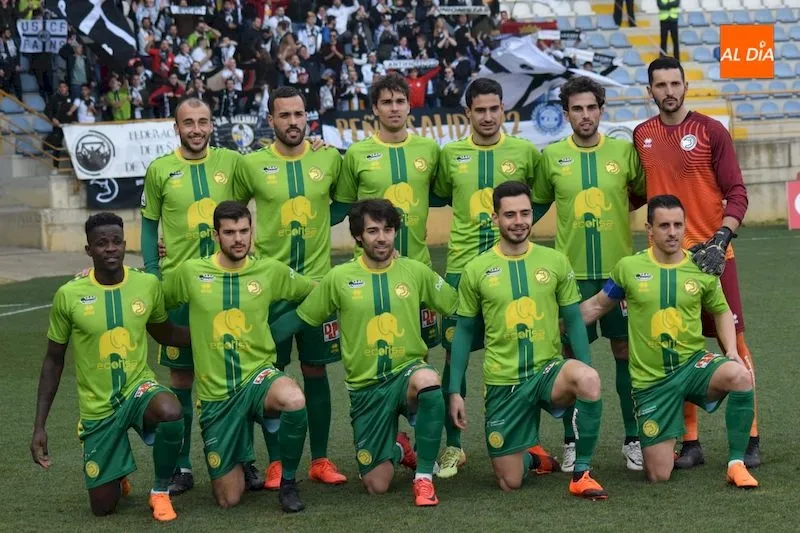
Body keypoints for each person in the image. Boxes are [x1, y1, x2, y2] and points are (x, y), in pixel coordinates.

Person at [270, 199, 458, 507]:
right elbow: (302, 317)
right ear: (358, 236)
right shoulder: (339, 277)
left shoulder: (416, 271)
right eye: (372, 231)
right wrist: (257, 339)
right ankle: (399, 448)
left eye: (387, 230)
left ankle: (423, 478)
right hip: (366, 390)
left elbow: (457, 305)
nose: (381, 238)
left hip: (407, 375)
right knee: (376, 484)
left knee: (427, 380)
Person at [580, 194, 758, 488]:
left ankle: (736, 464)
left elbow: (721, 311)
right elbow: (597, 306)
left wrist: (730, 351)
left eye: (678, 225)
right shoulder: (628, 268)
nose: (673, 232)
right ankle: (667, 434)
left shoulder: (699, 267)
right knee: (658, 475)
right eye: (664, 226)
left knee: (740, 375)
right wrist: (558, 325)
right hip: (652, 383)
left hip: (693, 367)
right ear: (649, 229)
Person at [633, 57, 759, 468]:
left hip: (714, 259)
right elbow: (637, 191)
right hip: (667, 261)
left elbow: (737, 192)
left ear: (686, 86)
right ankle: (690, 443)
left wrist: (721, 238)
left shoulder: (711, 131)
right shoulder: (642, 135)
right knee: (676, 345)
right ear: (650, 91)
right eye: (660, 85)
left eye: (675, 83)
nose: (669, 91)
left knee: (733, 343)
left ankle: (750, 437)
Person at [447, 182, 607, 499]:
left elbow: (574, 320)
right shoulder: (476, 269)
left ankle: (581, 473)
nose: (518, 221)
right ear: (495, 218)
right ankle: (534, 458)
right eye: (510, 215)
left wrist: (586, 367)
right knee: (509, 482)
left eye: (524, 213)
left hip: (547, 372)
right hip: (504, 382)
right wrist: (454, 391)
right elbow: (463, 332)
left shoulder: (555, 261)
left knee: (588, 380)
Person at [30, 213, 191, 521]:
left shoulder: (146, 285)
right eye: (101, 243)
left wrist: (208, 334)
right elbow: (53, 360)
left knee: (171, 412)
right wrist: (40, 426)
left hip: (138, 388)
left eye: (116, 242)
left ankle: (160, 492)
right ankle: (117, 474)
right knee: (103, 508)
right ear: (88, 249)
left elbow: (165, 333)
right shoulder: (69, 295)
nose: (110, 249)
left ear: (125, 245)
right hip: (99, 406)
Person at [163, 201, 313, 512]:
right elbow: (152, 299)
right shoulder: (191, 273)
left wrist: (286, 326)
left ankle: (288, 483)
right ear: (215, 235)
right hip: (217, 395)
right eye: (230, 232)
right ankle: (241, 454)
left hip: (258, 377)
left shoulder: (269, 270)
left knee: (294, 400)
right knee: (228, 499)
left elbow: (317, 290)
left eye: (244, 231)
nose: (239, 239)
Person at [233, 86, 347, 489]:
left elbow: (345, 202)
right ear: (271, 119)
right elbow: (231, 213)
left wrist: (319, 218)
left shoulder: (328, 158)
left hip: (317, 286)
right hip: (270, 290)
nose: (293, 122)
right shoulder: (252, 165)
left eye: (299, 114)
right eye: (284, 115)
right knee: (271, 374)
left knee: (316, 371)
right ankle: (277, 462)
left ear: (307, 117)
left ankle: (320, 459)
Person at [532, 76, 646, 472]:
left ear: (601, 110)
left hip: (619, 276)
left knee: (625, 355)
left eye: (591, 107)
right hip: (572, 279)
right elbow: (534, 206)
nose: (585, 115)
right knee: (572, 362)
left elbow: (643, 192)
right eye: (577, 109)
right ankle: (571, 442)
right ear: (566, 114)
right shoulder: (551, 157)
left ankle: (633, 438)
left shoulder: (624, 152)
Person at [433, 77, 545, 478]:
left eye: (493, 108)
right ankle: (454, 446)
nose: (487, 116)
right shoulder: (450, 155)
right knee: (454, 357)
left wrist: (520, 234)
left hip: (514, 268)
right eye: (479, 110)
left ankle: (526, 441)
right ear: (468, 113)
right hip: (462, 270)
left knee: (523, 350)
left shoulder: (525, 152)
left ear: (503, 110)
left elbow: (539, 198)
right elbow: (440, 194)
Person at [140, 97, 250, 495]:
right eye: (189, 123)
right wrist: (153, 274)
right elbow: (148, 227)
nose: (197, 129)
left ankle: (244, 459)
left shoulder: (232, 163)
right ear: (177, 128)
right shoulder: (160, 170)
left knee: (238, 376)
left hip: (228, 288)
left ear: (212, 124)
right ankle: (182, 465)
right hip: (181, 291)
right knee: (182, 379)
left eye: (203, 121)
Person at [335, 73, 443, 352]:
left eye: (399, 101)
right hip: (368, 270)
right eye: (386, 102)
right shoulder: (357, 153)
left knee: (419, 350)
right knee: (371, 347)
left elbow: (439, 194)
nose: (394, 108)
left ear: (409, 106)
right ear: (375, 108)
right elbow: (346, 205)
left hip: (418, 266)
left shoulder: (430, 149)